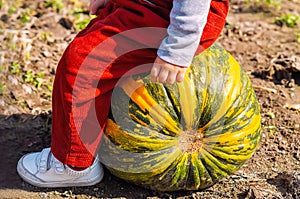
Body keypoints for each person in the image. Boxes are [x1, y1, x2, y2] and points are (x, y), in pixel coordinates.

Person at [17, 0, 229, 187]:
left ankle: (73, 164)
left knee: (82, 66)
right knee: (98, 39)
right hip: (156, 6)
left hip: (171, 16)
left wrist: (178, 47)